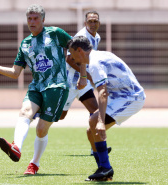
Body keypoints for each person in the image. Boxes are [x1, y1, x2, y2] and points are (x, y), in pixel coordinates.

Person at [0, 4, 71, 175]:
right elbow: (15, 73)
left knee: (41, 129)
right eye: (29, 18)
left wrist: (82, 73)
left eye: (36, 18)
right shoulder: (25, 43)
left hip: (56, 86)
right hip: (37, 86)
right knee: (24, 112)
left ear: (43, 19)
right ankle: (16, 148)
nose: (32, 21)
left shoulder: (55, 33)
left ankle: (34, 164)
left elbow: (75, 49)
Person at [67, 36, 146, 181]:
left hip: (131, 97)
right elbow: (86, 65)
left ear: (79, 50)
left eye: (71, 53)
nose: (71, 58)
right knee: (90, 130)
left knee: (94, 122)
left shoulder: (96, 63)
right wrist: (83, 76)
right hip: (119, 95)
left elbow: (103, 92)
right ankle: (103, 170)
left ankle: (105, 168)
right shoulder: (95, 55)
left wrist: (101, 122)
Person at [60, 11, 111, 163]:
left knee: (95, 112)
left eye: (95, 21)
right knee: (60, 116)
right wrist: (87, 75)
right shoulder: (80, 37)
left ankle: (95, 146)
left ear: (99, 23)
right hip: (70, 82)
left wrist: (87, 76)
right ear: (85, 23)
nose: (93, 24)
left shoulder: (97, 37)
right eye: (90, 21)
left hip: (83, 83)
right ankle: (37, 112)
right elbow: (69, 58)